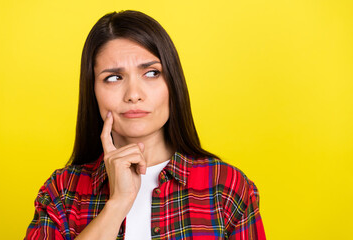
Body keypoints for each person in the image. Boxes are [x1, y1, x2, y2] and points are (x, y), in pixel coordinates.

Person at [25, 10, 266, 240]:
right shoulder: (62, 191)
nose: (133, 94)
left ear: (173, 83)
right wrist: (117, 204)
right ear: (93, 92)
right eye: (113, 78)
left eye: (151, 73)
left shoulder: (225, 187)